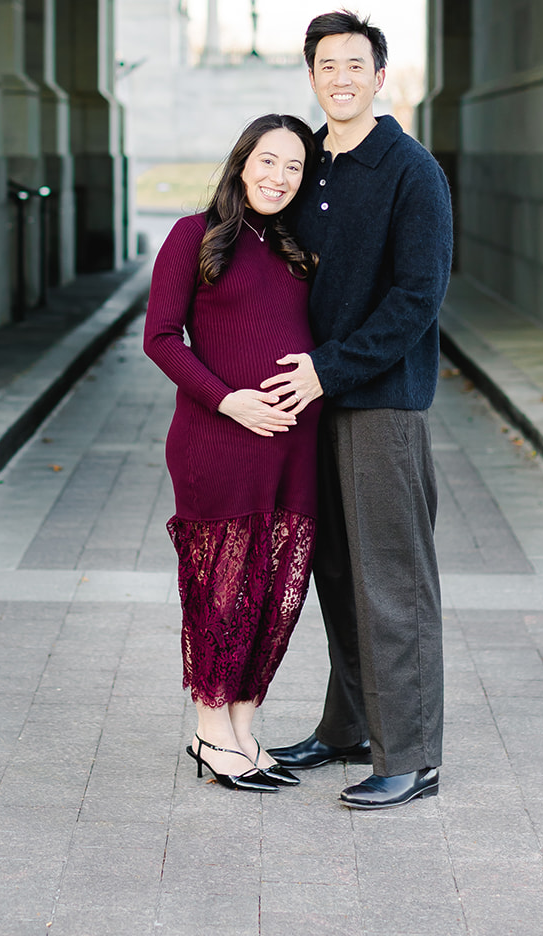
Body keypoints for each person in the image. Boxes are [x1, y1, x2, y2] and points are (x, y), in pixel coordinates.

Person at [262, 10, 453, 810]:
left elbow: (417, 298)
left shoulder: (411, 171)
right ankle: (346, 729)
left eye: (355, 65)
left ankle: (410, 755)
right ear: (311, 77)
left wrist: (328, 369)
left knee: (392, 580)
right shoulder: (308, 166)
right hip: (313, 404)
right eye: (325, 66)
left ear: (380, 76)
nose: (339, 78)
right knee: (334, 573)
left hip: (377, 404)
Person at [143, 113, 321, 793]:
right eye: (268, 161)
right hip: (217, 439)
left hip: (294, 444)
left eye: (294, 168)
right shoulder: (194, 235)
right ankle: (208, 729)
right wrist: (227, 400)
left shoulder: (296, 247)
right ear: (242, 162)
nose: (278, 177)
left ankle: (242, 724)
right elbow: (160, 338)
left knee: (277, 590)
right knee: (223, 588)